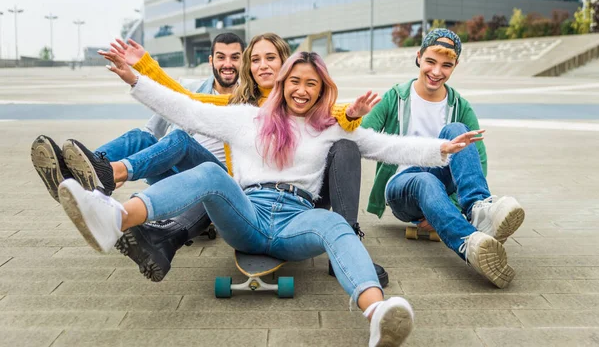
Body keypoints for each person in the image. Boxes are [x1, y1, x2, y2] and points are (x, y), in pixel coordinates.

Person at [57, 50, 480, 346]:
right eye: (294, 81)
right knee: (209, 173)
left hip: (298, 222)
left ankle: (377, 314)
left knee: (335, 223)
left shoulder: (330, 127)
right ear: (282, 84)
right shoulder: (248, 119)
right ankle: (114, 217)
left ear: (321, 91)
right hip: (247, 214)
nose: (301, 90)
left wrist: (441, 150)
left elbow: (385, 146)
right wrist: (137, 79)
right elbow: (186, 110)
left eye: (311, 85)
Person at [99, 34, 390, 286]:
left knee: (345, 145)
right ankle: (110, 176)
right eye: (256, 60)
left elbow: (339, 112)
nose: (263, 65)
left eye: (271, 58)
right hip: (250, 198)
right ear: (248, 67)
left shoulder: (307, 98)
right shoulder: (239, 105)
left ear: (286, 64)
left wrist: (349, 116)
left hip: (305, 199)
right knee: (187, 150)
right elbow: (186, 101)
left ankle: (350, 249)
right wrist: (144, 68)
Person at [30, 32, 245, 280]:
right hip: (176, 165)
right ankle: (82, 174)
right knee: (141, 136)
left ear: (244, 61)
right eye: (221, 57)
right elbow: (153, 129)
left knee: (178, 140)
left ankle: (103, 175)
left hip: (217, 177)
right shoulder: (192, 88)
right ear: (211, 60)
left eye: (235, 57)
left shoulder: (248, 101)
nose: (227, 64)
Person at [361, 28, 525, 289]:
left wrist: (447, 205)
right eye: (430, 62)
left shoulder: (460, 105)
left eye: (446, 65)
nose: (437, 72)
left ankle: (477, 212)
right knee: (424, 178)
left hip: (440, 186)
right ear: (418, 57)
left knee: (458, 131)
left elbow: (477, 160)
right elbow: (362, 133)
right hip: (401, 188)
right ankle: (466, 241)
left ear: (455, 66)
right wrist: (353, 115)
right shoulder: (396, 97)